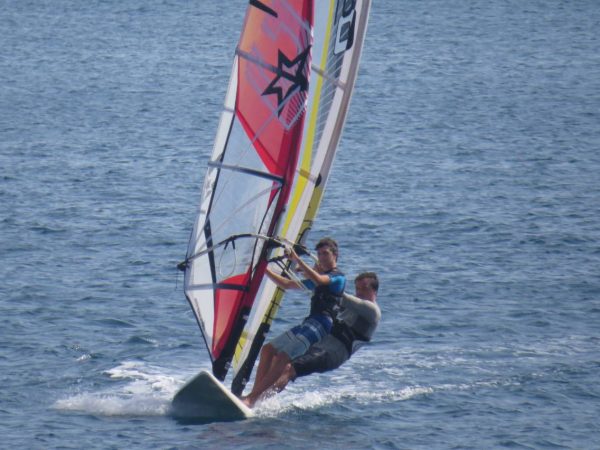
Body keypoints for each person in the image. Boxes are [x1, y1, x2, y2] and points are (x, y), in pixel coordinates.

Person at [242, 237, 345, 407]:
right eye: (319, 254)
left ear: (335, 255)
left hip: (322, 325)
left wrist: (297, 260)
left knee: (284, 356)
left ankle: (251, 399)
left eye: (325, 254)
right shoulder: (318, 278)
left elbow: (320, 280)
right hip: (308, 323)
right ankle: (254, 397)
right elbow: (287, 284)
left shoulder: (338, 277)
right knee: (268, 350)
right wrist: (263, 269)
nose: (321, 257)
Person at [256, 272, 380, 403]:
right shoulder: (350, 307)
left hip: (333, 354)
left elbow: (340, 296)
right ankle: (255, 394)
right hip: (319, 345)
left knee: (289, 369)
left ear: (374, 290)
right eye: (357, 289)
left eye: (364, 289)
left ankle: (258, 401)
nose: (359, 292)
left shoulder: (372, 311)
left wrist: (324, 282)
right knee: (278, 358)